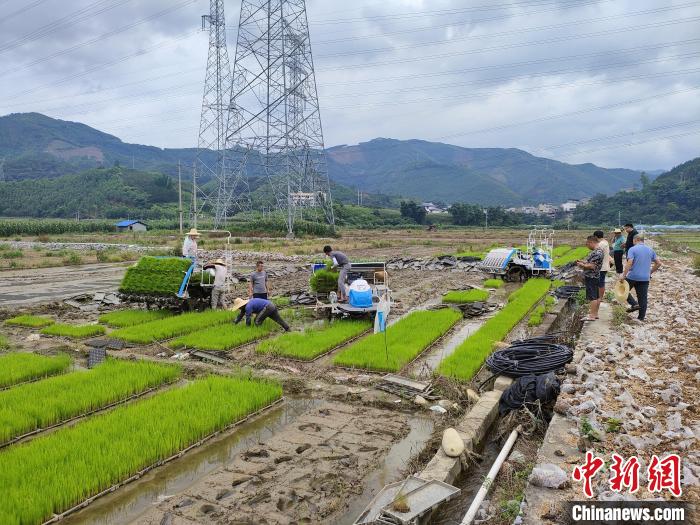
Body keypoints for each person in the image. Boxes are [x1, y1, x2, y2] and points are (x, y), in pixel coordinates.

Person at [621, 234, 661, 322]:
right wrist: (650, 272)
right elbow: (658, 263)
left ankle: (634, 304)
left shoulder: (632, 249)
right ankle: (641, 318)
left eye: (633, 240)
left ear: (636, 240)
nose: (632, 242)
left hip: (633, 276)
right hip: (645, 278)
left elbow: (629, 262)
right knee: (642, 298)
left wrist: (624, 275)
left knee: (623, 290)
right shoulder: (650, 250)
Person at [576, 235, 603, 321]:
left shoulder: (597, 252)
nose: (587, 246)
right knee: (597, 296)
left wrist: (582, 265)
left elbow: (592, 266)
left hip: (591, 277)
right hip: (595, 276)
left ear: (591, 242)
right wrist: (583, 261)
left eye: (587, 244)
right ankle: (595, 314)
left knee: (593, 297)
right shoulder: (598, 251)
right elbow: (592, 263)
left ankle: (592, 316)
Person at [593, 230, 610, 305]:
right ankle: (600, 297)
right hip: (604, 265)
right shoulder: (605, 242)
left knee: (600, 283)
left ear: (596, 237)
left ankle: (600, 298)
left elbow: (596, 254)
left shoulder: (601, 244)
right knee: (601, 282)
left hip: (602, 267)